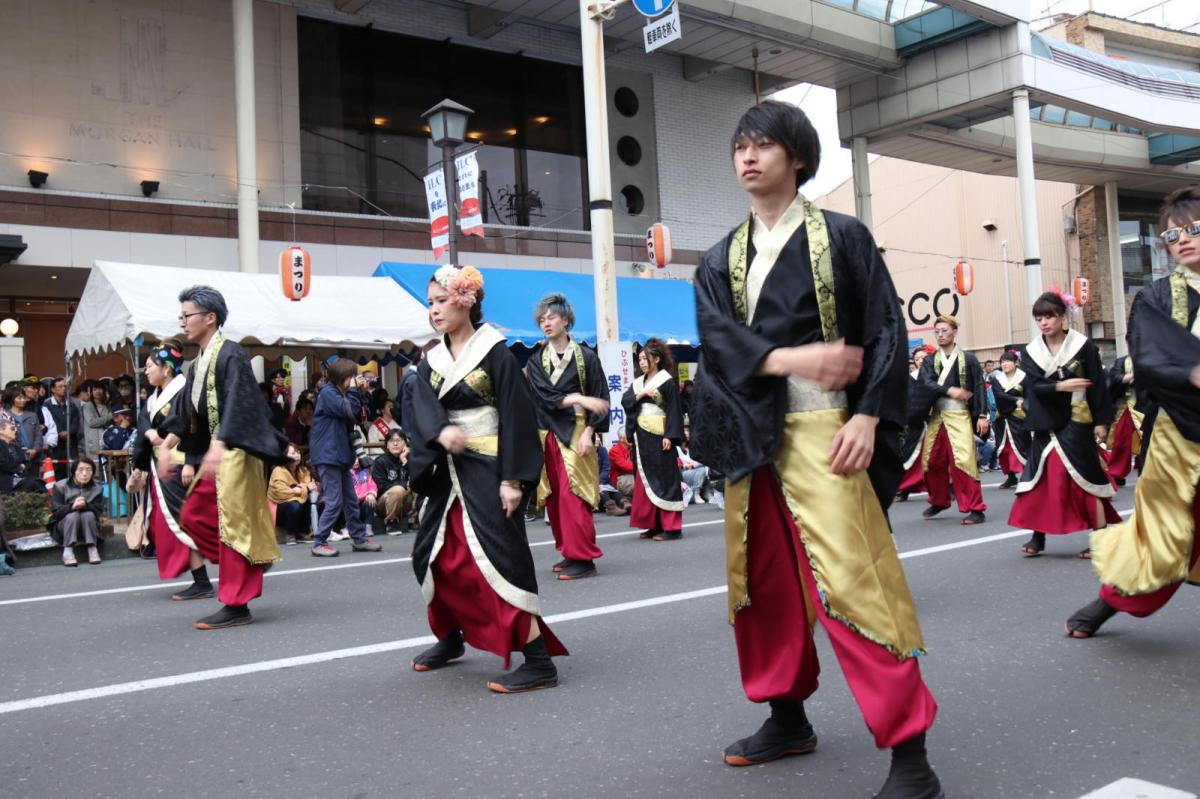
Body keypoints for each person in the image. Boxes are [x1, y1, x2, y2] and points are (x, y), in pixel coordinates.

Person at [690, 100, 941, 799]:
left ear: (797, 157)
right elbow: (715, 345)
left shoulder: (845, 238)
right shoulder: (718, 260)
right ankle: (786, 714)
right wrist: (794, 358)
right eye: (741, 144)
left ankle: (911, 757)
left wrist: (866, 416)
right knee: (760, 587)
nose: (748, 156)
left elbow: (885, 330)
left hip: (828, 431)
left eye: (765, 144)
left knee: (859, 587)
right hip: (753, 441)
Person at [406, 264, 566, 693]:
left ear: (466, 300)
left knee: (499, 556)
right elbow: (419, 404)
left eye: (441, 301)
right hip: (448, 469)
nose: (434, 311)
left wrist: (513, 479)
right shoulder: (432, 359)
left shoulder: (495, 352)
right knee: (437, 557)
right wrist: (439, 431)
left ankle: (538, 661)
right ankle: (451, 636)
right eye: (430, 304)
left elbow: (516, 413)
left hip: (489, 467)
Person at [1065, 186, 1200, 638]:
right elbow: (1149, 359)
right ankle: (1110, 601)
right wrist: (1192, 372)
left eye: (1194, 229)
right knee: (1162, 529)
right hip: (1178, 431)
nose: (1184, 239)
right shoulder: (1155, 297)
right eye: (1172, 235)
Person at [157, 285, 286, 630]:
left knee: (231, 525)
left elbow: (241, 401)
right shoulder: (197, 361)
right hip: (219, 452)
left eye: (188, 315)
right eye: (181, 316)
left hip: (236, 451)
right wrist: (168, 443)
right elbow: (187, 409)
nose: (182, 322)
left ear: (209, 318)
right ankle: (250, 560)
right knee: (194, 515)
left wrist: (220, 443)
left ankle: (236, 602)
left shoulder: (231, 354)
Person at [1009, 291, 1120, 558]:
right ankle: (1038, 535)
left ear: (1062, 316)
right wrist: (1060, 385)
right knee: (1040, 476)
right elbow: (1033, 386)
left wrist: (1101, 422)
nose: (1044, 323)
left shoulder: (1084, 346)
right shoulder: (1031, 350)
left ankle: (1101, 535)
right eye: (1038, 318)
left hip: (1078, 418)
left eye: (1049, 316)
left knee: (1084, 474)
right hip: (1046, 419)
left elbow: (1099, 388)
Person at [526, 292, 609, 580]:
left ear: (565, 320)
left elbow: (601, 396)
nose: (545, 323)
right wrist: (580, 399)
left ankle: (584, 557)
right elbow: (544, 397)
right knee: (554, 498)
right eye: (541, 319)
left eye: (551, 317)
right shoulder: (537, 360)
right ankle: (569, 551)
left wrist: (590, 430)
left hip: (576, 432)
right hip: (546, 433)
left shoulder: (586, 357)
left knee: (574, 495)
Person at [129, 340, 214, 600]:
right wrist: (149, 433)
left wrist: (190, 459)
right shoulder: (154, 396)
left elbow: (195, 428)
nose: (146, 371)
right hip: (161, 465)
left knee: (184, 520)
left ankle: (204, 580)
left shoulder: (184, 391)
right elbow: (144, 421)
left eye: (150, 366)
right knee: (171, 522)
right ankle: (200, 578)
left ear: (166, 368)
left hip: (179, 463)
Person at [914, 315, 988, 525]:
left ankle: (975, 508)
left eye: (945, 331)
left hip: (960, 416)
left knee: (963, 461)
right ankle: (939, 500)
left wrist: (982, 415)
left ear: (955, 332)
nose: (940, 335)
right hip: (937, 416)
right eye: (937, 332)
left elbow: (979, 386)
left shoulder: (969, 359)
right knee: (930, 461)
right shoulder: (930, 360)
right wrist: (949, 389)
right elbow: (925, 384)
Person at [308, 359, 382, 557]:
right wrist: (353, 391)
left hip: (339, 454)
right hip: (328, 455)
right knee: (334, 500)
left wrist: (358, 393)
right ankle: (319, 541)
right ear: (343, 378)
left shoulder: (339, 393)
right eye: (352, 376)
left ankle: (358, 538)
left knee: (350, 499)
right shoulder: (328, 393)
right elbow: (350, 410)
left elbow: (356, 419)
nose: (355, 380)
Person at [621, 339, 686, 541]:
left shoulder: (666, 380)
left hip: (660, 435)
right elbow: (626, 401)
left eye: (645, 358)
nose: (641, 362)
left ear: (656, 359)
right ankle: (653, 524)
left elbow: (675, 410)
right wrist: (640, 396)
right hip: (642, 437)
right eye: (639, 358)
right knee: (645, 479)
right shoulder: (638, 383)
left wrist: (670, 435)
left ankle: (672, 527)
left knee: (664, 479)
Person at [50, 457, 105, 566]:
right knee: (73, 516)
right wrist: (72, 507)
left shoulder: (97, 488)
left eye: (89, 470)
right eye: (81, 470)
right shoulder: (60, 486)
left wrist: (86, 505)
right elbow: (56, 512)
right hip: (65, 526)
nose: (85, 474)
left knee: (88, 514)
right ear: (74, 471)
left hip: (88, 525)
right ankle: (68, 551)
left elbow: (98, 511)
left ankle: (92, 548)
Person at [990, 351, 1030, 490]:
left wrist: (1023, 403)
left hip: (1020, 418)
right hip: (1003, 418)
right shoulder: (997, 379)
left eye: (1008, 361)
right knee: (1003, 449)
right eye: (1002, 362)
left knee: (1023, 447)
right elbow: (999, 395)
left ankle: (1028, 476)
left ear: (1015, 362)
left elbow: (1029, 395)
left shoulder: (1024, 377)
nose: (1005, 364)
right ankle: (1011, 477)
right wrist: (1017, 399)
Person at [895, 347, 931, 502]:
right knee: (910, 457)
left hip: (938, 420)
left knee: (941, 457)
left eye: (923, 357)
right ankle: (903, 488)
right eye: (917, 359)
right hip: (918, 422)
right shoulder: (911, 379)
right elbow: (908, 402)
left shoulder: (938, 376)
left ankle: (947, 488)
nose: (920, 361)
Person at [1103, 354, 1144, 486]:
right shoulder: (1122, 362)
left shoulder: (1154, 357)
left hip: (1148, 406)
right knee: (1121, 441)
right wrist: (1126, 378)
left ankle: (1147, 472)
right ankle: (1117, 473)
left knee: (1151, 441)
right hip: (1127, 405)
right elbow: (1112, 380)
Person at [269, 444, 318, 546]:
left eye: (298, 452)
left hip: (295, 504)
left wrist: (299, 489)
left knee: (308, 500)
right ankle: (290, 534)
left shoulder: (302, 470)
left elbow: (311, 485)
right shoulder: (278, 470)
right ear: (284, 456)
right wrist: (302, 488)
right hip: (280, 508)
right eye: (293, 453)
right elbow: (280, 492)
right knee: (294, 505)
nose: (297, 455)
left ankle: (302, 532)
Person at [370, 429, 412, 535]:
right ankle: (391, 521)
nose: (395, 443)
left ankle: (421, 520)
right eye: (391, 441)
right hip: (384, 502)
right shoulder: (380, 461)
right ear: (387, 445)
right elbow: (382, 486)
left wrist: (404, 460)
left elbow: (418, 478)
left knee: (420, 486)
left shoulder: (409, 459)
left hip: (405, 500)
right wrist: (403, 485)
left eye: (399, 440)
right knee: (398, 490)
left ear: (405, 443)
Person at [43, 377, 81, 479]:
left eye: (65, 386)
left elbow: (76, 422)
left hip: (71, 443)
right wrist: (59, 433)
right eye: (60, 386)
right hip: (55, 445)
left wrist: (68, 432)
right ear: (53, 389)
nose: (63, 389)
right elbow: (48, 423)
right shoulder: (47, 405)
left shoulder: (72, 405)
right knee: (57, 472)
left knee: (73, 470)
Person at [0, 412, 43, 494]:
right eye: (12, 429)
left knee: (38, 482)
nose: (15, 431)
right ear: (1, 430)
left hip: (18, 477)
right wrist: (18, 468)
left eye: (16, 428)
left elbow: (25, 463)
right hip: (4, 480)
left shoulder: (15, 447)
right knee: (34, 484)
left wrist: (22, 467)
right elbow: (2, 464)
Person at [608, 428, 636, 502]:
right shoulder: (614, 451)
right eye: (629, 436)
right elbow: (628, 467)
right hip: (619, 480)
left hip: (632, 476)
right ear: (621, 439)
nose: (632, 438)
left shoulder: (634, 448)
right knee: (641, 483)